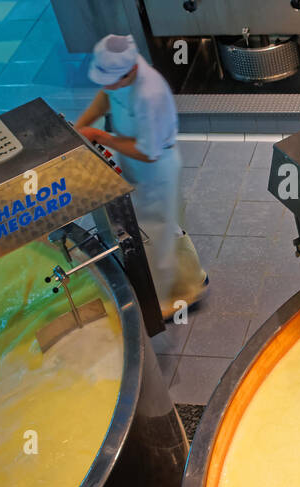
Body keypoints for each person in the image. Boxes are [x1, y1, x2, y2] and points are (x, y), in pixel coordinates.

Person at [75, 34, 207, 320]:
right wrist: (81, 126)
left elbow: (149, 152)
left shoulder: (150, 93)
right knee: (164, 228)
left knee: (161, 233)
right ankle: (193, 277)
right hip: (134, 158)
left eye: (111, 80)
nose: (107, 86)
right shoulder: (121, 76)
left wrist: (99, 135)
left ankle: (175, 298)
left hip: (156, 167)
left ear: (130, 72)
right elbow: (105, 97)